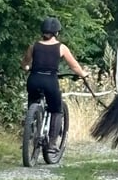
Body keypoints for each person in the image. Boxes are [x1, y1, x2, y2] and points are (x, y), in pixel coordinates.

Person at [21, 17, 89, 152]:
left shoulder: (33, 46)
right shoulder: (61, 47)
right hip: (50, 81)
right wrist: (83, 74)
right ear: (57, 33)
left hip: (34, 79)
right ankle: (52, 143)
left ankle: (30, 134)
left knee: (32, 103)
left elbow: (25, 63)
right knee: (56, 109)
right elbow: (74, 66)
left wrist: (26, 68)